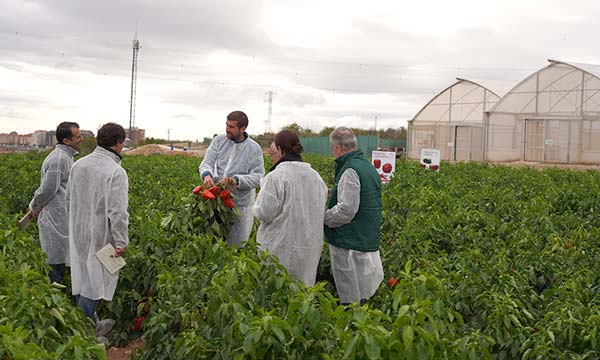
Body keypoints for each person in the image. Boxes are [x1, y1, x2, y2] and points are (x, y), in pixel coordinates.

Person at [67, 123, 128, 336]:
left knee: (83, 276)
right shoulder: (115, 172)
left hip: (78, 230)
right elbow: (118, 213)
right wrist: (121, 242)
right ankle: (80, 333)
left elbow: (69, 198)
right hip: (102, 235)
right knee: (94, 284)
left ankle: (91, 326)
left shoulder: (79, 165)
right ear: (119, 142)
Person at [253, 130, 327, 286]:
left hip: (279, 246)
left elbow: (264, 213)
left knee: (278, 292)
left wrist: (258, 199)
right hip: (309, 246)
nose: (272, 159)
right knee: (302, 293)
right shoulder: (316, 177)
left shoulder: (276, 177)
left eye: (273, 154)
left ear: (279, 150)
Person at [324, 127, 384, 305]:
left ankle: (351, 325)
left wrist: (324, 218)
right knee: (363, 290)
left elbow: (346, 210)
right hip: (364, 235)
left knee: (350, 294)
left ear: (337, 148)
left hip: (348, 240)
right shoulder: (366, 165)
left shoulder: (350, 169)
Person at [199, 111, 264, 247]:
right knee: (213, 241)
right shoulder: (219, 141)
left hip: (239, 204)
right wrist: (206, 175)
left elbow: (258, 177)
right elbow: (207, 163)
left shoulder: (254, 149)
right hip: (215, 199)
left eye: (232, 127)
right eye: (227, 125)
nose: (227, 129)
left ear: (243, 128)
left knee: (235, 245)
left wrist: (236, 180)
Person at [29, 122, 83, 284]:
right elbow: (47, 189)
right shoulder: (59, 159)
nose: (81, 139)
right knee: (54, 266)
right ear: (66, 141)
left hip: (61, 218)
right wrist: (34, 205)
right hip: (55, 219)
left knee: (60, 259)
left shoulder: (66, 157)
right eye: (78, 136)